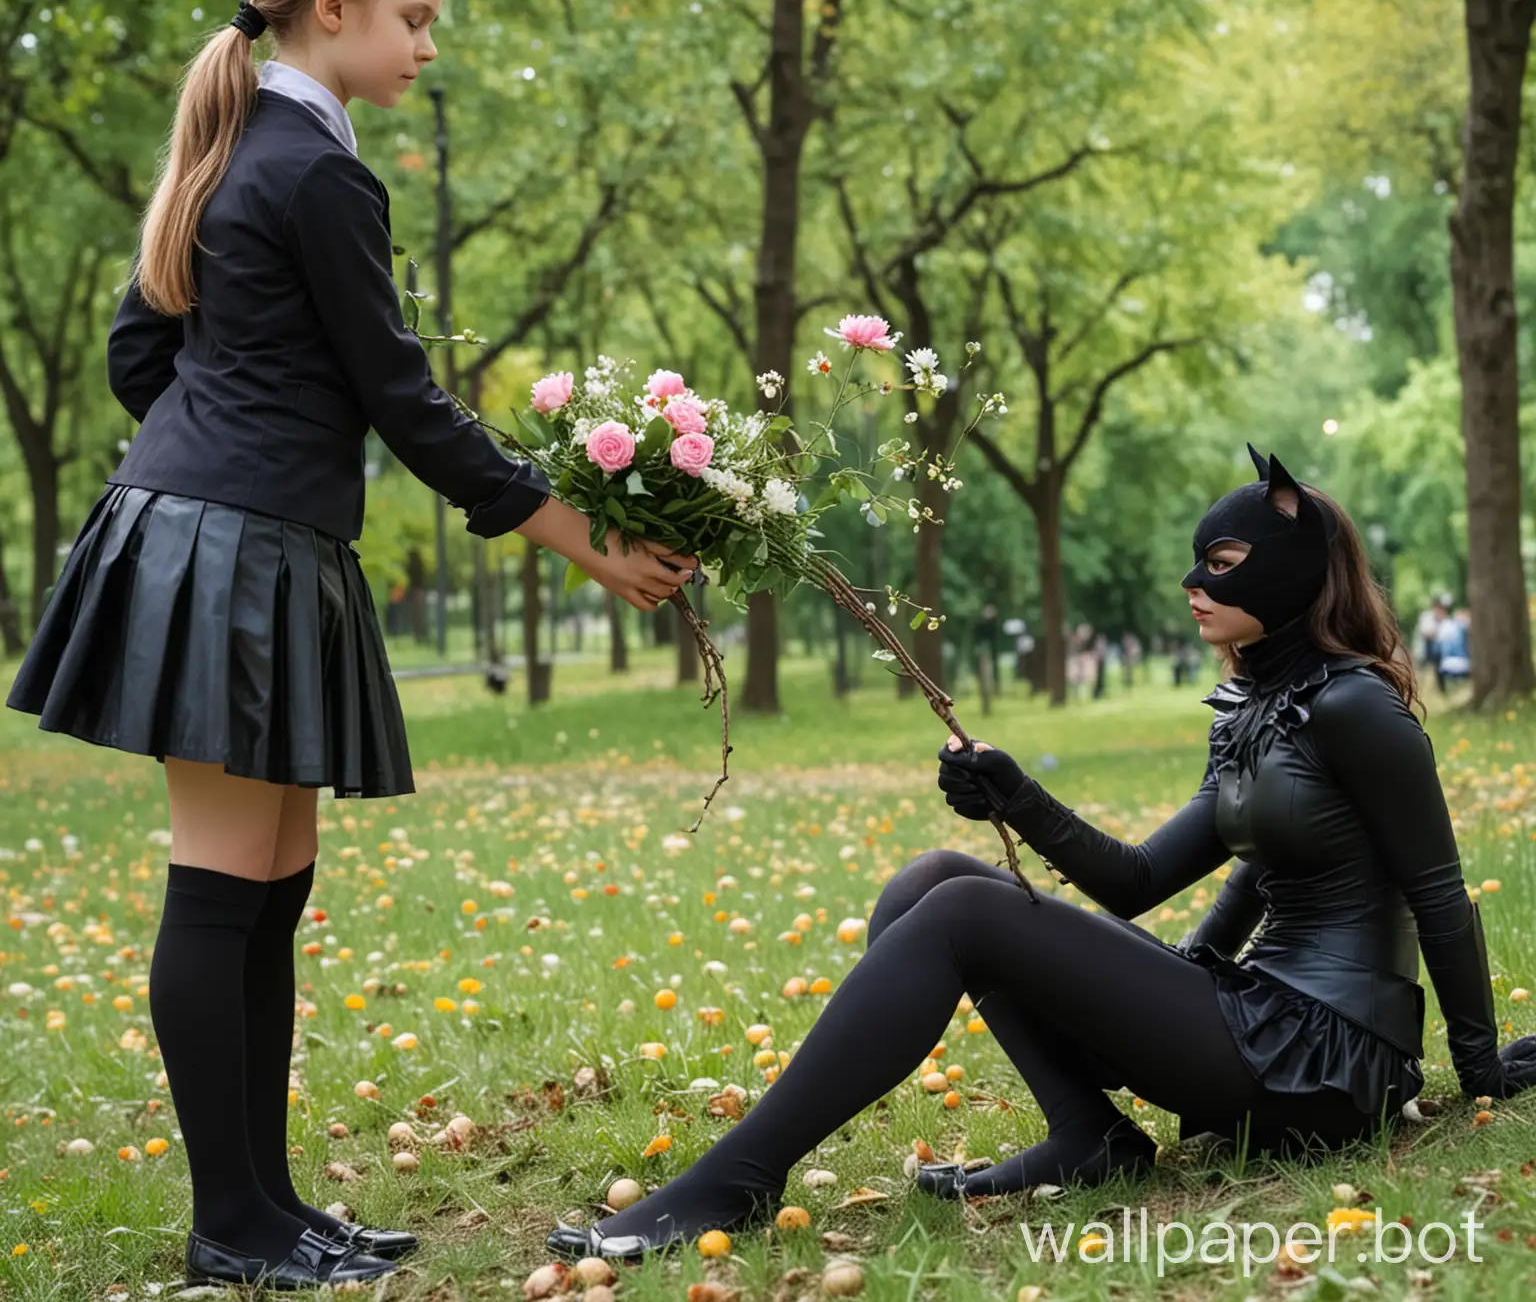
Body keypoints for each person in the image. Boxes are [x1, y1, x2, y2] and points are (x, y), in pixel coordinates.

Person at [5, 0, 697, 1292]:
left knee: (269, 881)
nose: (427, 46)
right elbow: (405, 399)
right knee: (220, 887)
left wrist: (245, 409)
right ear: (335, 7)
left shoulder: (238, 148)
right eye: (414, 17)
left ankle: (266, 1207)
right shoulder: (315, 169)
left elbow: (147, 361)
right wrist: (579, 531)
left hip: (245, 541)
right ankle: (231, 1226)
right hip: (229, 550)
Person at [544, 443, 1536, 1262]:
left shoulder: (1358, 707)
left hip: (1322, 1064)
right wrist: (1014, 799)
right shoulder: (1258, 708)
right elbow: (1144, 881)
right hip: (1258, 1018)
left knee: (969, 915)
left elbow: (1439, 893)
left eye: (1222, 563)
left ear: (1297, 565)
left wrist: (1481, 1068)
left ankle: (736, 1181)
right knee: (935, 879)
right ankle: (1091, 1138)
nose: (1193, 583)